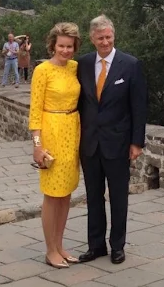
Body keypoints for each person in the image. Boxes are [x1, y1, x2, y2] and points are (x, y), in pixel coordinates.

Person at [77, 15, 148, 265]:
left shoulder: (130, 64)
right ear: (92, 39)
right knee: (93, 197)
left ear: (113, 36)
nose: (105, 41)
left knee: (118, 197)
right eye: (100, 38)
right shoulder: (83, 64)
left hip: (118, 143)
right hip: (90, 144)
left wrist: (136, 142)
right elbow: (80, 104)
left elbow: (139, 107)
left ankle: (117, 245)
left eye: (108, 37)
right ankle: (95, 246)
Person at [29, 23, 82, 269]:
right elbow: (35, 110)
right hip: (51, 130)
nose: (65, 50)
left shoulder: (74, 68)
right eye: (61, 45)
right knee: (52, 195)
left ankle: (60, 245)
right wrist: (37, 145)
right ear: (53, 45)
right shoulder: (42, 70)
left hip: (73, 131)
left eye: (69, 46)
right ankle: (50, 250)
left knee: (66, 193)